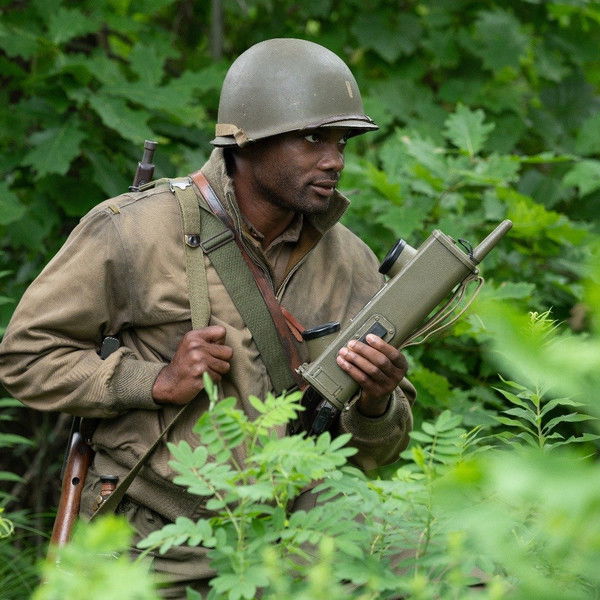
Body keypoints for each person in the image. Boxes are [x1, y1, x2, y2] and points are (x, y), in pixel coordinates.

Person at [0, 38, 415, 597]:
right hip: (158, 545)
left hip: (301, 544)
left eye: (342, 141)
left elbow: (378, 452)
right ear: (247, 141)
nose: (334, 160)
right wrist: (154, 381)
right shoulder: (136, 230)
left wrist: (376, 402)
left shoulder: (350, 261)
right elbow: (25, 358)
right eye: (313, 138)